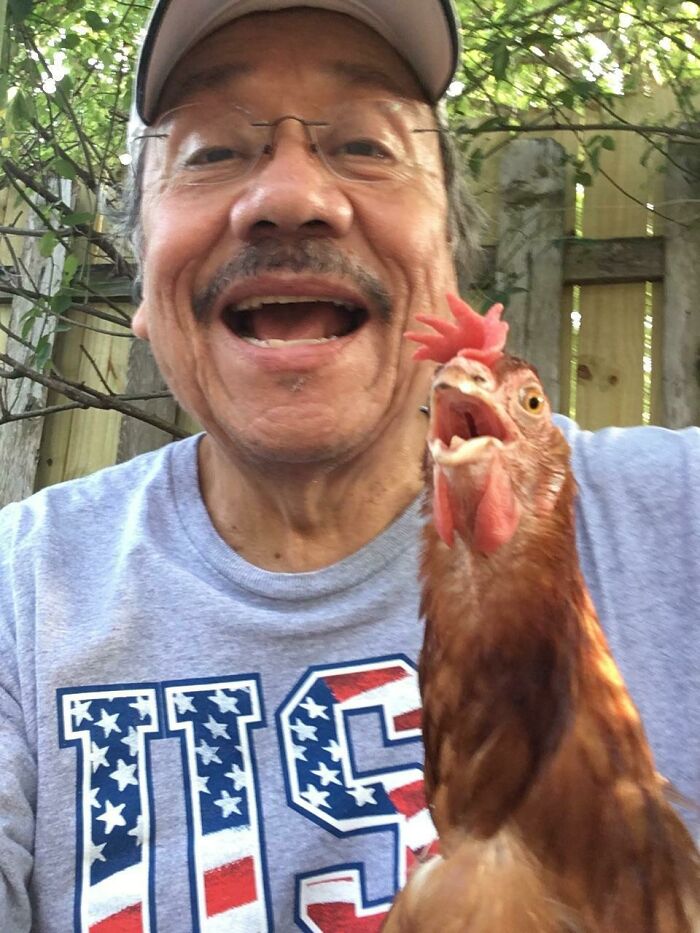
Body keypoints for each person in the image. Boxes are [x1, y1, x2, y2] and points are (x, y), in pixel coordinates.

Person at [0, 0, 698, 929]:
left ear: (447, 263)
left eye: (366, 145)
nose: (292, 197)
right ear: (139, 287)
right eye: (211, 151)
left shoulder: (681, 514)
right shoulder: (20, 601)